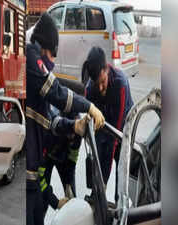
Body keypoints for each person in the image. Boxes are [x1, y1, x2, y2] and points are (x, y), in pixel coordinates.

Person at [26, 12, 105, 225]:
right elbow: (57, 93)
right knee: (36, 211)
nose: (52, 62)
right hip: (34, 169)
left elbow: (56, 128)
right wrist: (54, 200)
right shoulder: (31, 57)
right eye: (53, 55)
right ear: (44, 47)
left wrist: (69, 187)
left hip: (35, 170)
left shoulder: (70, 134)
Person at [84, 46, 134, 202]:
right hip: (104, 128)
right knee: (98, 158)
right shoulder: (90, 88)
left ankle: (121, 205)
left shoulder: (121, 84)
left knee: (121, 177)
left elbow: (115, 139)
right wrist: (98, 184)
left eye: (103, 82)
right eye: (96, 84)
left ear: (107, 69)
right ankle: (98, 196)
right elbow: (93, 133)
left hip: (123, 129)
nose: (100, 88)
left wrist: (104, 180)